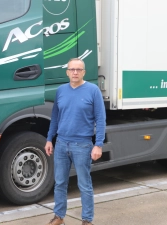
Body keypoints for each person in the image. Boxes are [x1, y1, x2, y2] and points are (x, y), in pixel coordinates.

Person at [44, 58, 106, 225]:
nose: (75, 72)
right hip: (62, 143)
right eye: (72, 69)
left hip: (83, 145)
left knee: (84, 185)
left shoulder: (93, 90)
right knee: (60, 183)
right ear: (67, 72)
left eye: (79, 69)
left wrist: (98, 144)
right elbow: (55, 117)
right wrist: (49, 139)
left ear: (84, 72)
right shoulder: (61, 91)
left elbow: (100, 119)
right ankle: (59, 217)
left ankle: (87, 220)